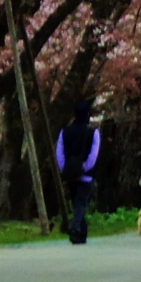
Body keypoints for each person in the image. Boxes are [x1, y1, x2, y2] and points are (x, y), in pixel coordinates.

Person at [56, 100, 102, 244]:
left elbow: (59, 153)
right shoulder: (93, 132)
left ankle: (81, 234)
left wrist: (65, 169)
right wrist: (84, 168)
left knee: (77, 201)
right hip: (86, 174)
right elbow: (93, 155)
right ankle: (75, 228)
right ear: (88, 114)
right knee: (80, 203)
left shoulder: (65, 132)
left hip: (70, 173)